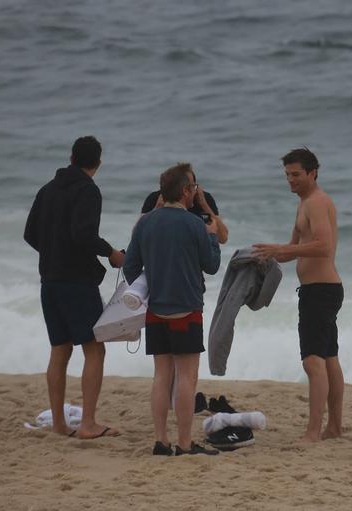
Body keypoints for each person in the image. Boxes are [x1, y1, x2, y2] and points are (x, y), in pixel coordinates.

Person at [24, 136, 124, 439]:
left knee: (60, 350)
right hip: (77, 283)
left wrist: (53, 251)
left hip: (50, 281)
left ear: (71, 157)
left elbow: (30, 233)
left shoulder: (48, 189)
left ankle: (58, 424)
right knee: (95, 350)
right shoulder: (88, 191)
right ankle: (88, 424)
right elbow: (83, 234)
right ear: (98, 163)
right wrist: (112, 253)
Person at [124, 162, 221, 456]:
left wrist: (153, 283)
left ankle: (161, 441)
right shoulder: (194, 225)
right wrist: (213, 235)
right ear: (183, 190)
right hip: (187, 311)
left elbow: (130, 268)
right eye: (191, 187)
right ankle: (184, 442)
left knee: (161, 376)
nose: (194, 192)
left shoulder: (145, 223)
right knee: (187, 378)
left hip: (156, 311)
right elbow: (212, 265)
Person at [253, 148, 344, 443]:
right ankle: (333, 428)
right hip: (319, 290)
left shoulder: (317, 202)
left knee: (312, 361)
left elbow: (323, 246)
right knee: (328, 359)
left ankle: (314, 431)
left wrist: (283, 250)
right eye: (287, 175)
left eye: (296, 174)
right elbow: (295, 247)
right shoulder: (304, 203)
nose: (290, 180)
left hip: (321, 290)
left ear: (312, 172)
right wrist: (270, 254)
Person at [140, 168, 228, 244]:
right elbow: (138, 238)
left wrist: (204, 205)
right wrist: (157, 208)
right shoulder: (155, 198)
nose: (189, 192)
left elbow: (222, 238)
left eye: (193, 187)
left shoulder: (202, 199)